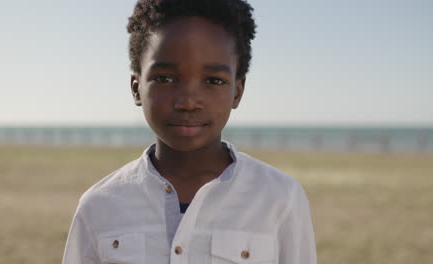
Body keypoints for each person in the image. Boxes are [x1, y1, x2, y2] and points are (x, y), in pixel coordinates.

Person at [63, 0, 317, 263]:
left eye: (213, 81)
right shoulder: (98, 205)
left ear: (237, 93)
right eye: (165, 78)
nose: (187, 101)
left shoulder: (280, 198)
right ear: (137, 88)